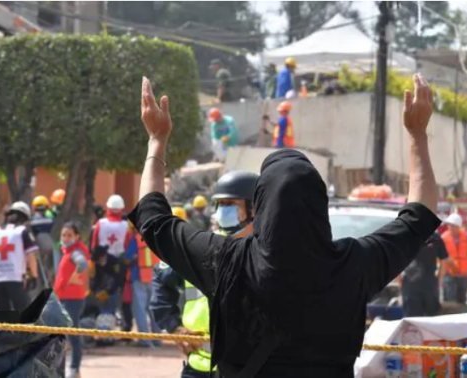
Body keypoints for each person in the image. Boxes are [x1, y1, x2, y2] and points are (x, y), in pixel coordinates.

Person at [133, 73, 438, 377]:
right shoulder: (353, 265)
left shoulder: (228, 261)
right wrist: (417, 136)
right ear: (319, 206)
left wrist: (157, 140)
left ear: (261, 203)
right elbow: (418, 219)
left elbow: (154, 219)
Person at [152, 172, 258, 378]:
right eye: (220, 204)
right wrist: (175, 328)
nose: (223, 211)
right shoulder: (203, 248)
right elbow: (161, 279)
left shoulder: (265, 253)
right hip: (199, 368)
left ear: (253, 208)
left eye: (231, 204)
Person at [0, 202, 39, 310]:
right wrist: (34, 276)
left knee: (2, 317)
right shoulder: (22, 231)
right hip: (15, 279)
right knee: (24, 314)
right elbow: (31, 256)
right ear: (24, 218)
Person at [54, 221, 90, 378]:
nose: (66, 238)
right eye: (63, 235)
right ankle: (66, 370)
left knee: (72, 334)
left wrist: (74, 278)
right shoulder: (67, 251)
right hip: (65, 298)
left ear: (77, 236)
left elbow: (81, 264)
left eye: (69, 235)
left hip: (72, 299)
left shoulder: (75, 252)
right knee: (64, 334)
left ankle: (74, 369)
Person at [91, 194, 133, 317]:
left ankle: (100, 315)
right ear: (122, 209)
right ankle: (116, 314)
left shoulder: (100, 223)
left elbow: (94, 245)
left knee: (99, 287)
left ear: (108, 208)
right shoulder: (127, 226)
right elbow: (127, 245)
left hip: (101, 262)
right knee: (116, 289)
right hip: (119, 263)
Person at [125, 222, 161, 348]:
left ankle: (145, 340)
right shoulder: (156, 237)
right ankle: (158, 338)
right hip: (155, 277)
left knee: (139, 310)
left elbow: (128, 257)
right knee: (154, 309)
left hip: (139, 277)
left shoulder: (136, 239)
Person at [401, 230, 449, 317]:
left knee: (412, 322)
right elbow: (444, 261)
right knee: (430, 322)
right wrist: (438, 281)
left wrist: (400, 283)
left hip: (410, 285)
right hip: (429, 284)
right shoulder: (435, 237)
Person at [440, 213, 467, 307]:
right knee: (450, 302)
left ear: (457, 226)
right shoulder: (443, 237)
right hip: (449, 274)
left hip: (463, 275)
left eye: (451, 224)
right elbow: (441, 257)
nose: (449, 226)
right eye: (448, 224)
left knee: (462, 301)